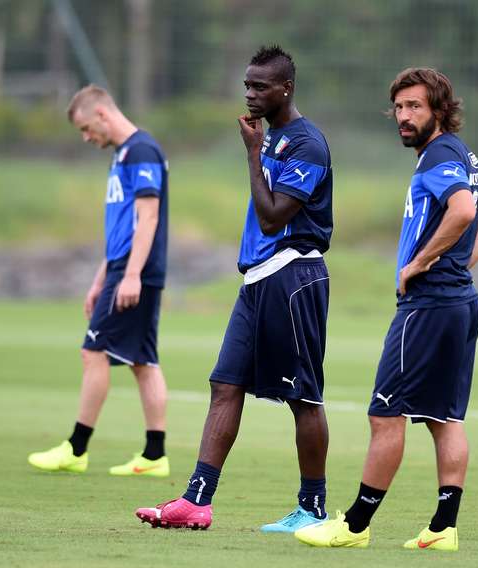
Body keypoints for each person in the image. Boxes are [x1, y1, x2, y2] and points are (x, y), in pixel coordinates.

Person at [295, 68, 478, 551]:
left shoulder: (441, 154)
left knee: (386, 416)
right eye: (400, 108)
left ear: (440, 111)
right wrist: (454, 268)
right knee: (444, 418)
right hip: (460, 301)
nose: (404, 117)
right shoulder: (460, 156)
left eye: (415, 108)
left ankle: (355, 527)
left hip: (428, 307)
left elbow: (467, 212)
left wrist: (423, 264)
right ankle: (443, 528)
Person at [135, 45, 333, 532]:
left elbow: (272, 218)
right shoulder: (274, 138)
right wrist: (259, 148)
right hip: (258, 280)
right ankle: (196, 500)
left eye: (259, 86)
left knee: (303, 397)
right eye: (247, 85)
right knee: (225, 385)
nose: (249, 94)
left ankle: (313, 508)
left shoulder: (306, 144)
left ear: (285, 88)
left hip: (293, 279)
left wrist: (252, 151)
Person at [27, 85, 171, 477]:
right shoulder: (124, 155)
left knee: (93, 352)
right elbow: (122, 228)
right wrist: (99, 278)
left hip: (134, 271)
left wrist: (130, 276)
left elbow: (149, 218)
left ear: (103, 115)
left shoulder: (142, 151)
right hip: (124, 268)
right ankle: (155, 456)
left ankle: (76, 449)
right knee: (143, 360)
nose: (87, 137)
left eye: (87, 128)